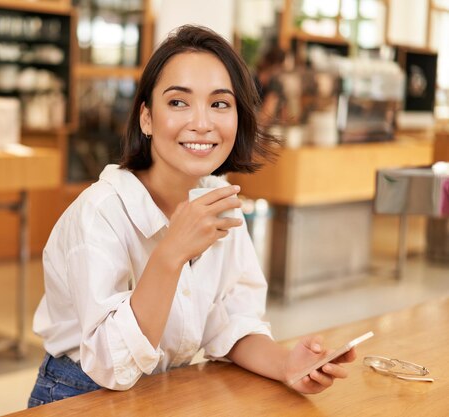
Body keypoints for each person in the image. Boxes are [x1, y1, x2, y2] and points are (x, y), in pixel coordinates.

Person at [28, 25, 355, 408]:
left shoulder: (218, 200)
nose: (202, 123)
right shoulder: (99, 213)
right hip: (80, 394)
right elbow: (112, 367)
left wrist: (287, 364)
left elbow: (230, 322)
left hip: (168, 390)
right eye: (179, 102)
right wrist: (171, 253)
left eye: (219, 104)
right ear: (146, 118)